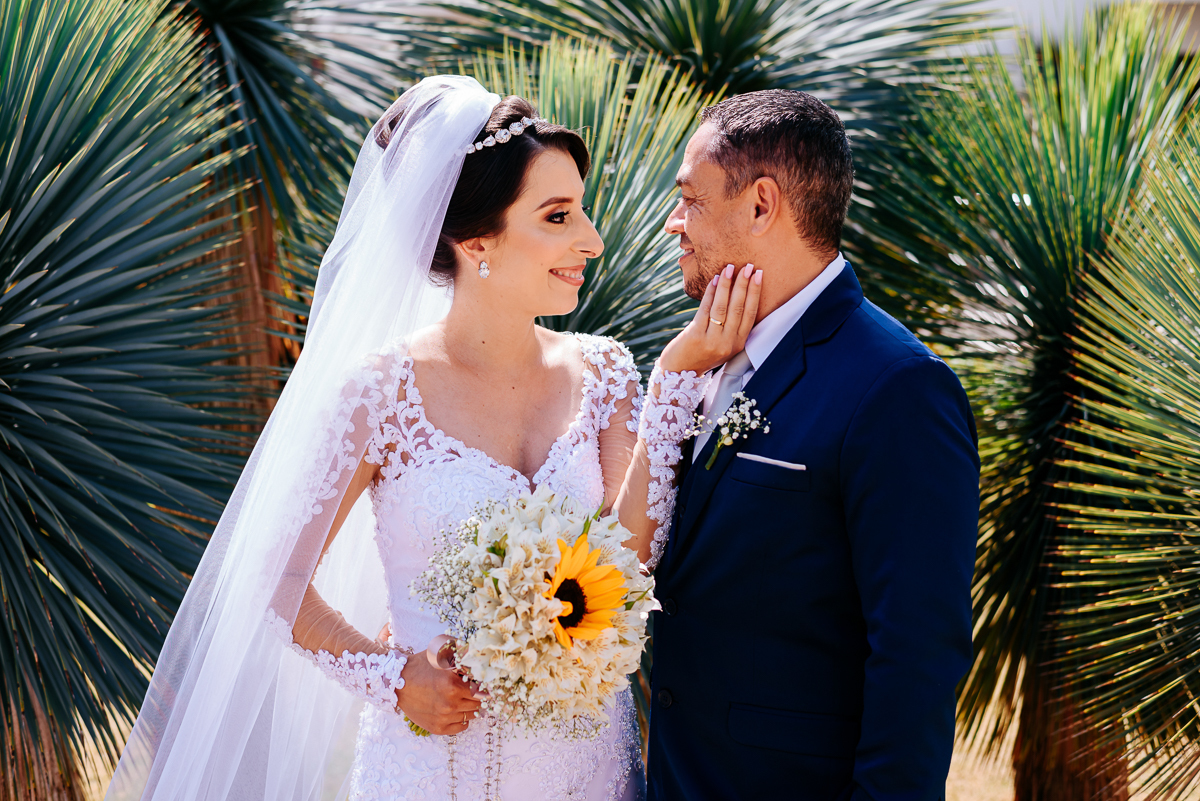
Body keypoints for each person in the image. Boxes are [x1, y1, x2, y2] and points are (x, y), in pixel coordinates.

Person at [106, 77, 753, 801]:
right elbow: (275, 575)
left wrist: (672, 381)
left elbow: (630, 560)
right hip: (431, 773)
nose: (591, 241)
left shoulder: (605, 372)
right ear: (475, 240)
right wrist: (394, 677)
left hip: (588, 772)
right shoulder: (380, 392)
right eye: (558, 216)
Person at [644, 90, 980, 799]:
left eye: (691, 200)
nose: (674, 224)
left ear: (762, 205)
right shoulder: (703, 357)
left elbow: (917, 654)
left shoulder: (898, 387)